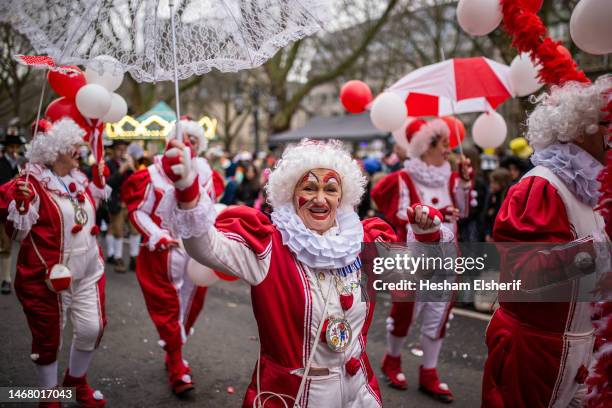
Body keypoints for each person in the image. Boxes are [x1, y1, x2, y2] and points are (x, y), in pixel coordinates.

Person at [158, 138, 450, 407]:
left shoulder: (362, 243)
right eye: (309, 188)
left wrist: (426, 237)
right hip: (295, 395)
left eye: (330, 190)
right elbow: (206, 247)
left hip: (358, 389)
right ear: (290, 193)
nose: (320, 199)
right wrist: (188, 191)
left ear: (343, 197)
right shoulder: (268, 246)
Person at [482, 76, 611, 408]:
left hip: (585, 349)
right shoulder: (541, 186)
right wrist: (598, 249)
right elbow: (524, 274)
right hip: (535, 350)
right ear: (580, 129)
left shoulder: (596, 187)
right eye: (607, 122)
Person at [0, 118, 110, 408]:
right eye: (72, 145)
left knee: (92, 328)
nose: (79, 149)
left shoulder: (80, 180)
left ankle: (76, 381)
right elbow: (18, 234)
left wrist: (99, 179)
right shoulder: (30, 182)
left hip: (88, 270)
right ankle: (49, 394)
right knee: (48, 339)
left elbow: (91, 214)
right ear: (54, 149)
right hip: (48, 276)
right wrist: (22, 206)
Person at [371, 118, 474, 402]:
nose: (448, 150)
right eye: (443, 144)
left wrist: (465, 183)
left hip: (447, 257)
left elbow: (464, 211)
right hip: (413, 258)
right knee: (406, 312)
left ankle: (429, 370)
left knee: (438, 314)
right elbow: (394, 210)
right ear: (427, 145)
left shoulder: (451, 177)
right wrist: (432, 214)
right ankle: (392, 360)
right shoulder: (404, 177)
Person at [123, 118, 224, 395]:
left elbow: (211, 211)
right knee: (167, 312)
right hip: (162, 255)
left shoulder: (207, 176)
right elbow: (138, 211)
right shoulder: (151, 174)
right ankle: (177, 365)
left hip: (197, 256)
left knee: (189, 309)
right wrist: (157, 235)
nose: (188, 144)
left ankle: (173, 354)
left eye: (194, 140)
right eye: (184, 138)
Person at [0, 131, 26, 294]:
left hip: (12, 210)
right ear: (6, 148)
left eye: (16, 147)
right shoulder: (1, 163)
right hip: (0, 207)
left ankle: (6, 279)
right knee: (4, 244)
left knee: (6, 244)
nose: (14, 150)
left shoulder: (21, 164)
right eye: (11, 147)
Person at [104, 139, 134, 273]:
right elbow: (108, 184)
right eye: (119, 149)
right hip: (116, 202)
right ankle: (117, 258)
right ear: (113, 150)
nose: (122, 152)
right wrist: (121, 171)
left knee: (135, 230)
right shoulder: (108, 164)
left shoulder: (129, 164)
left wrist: (132, 169)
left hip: (129, 202)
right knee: (117, 230)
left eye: (124, 149)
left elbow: (135, 182)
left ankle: (134, 257)